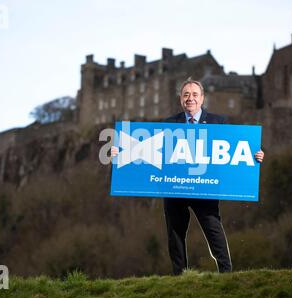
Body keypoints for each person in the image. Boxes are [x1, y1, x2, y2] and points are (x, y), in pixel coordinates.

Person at [112, 79, 264, 275]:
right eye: (186, 95)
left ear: (202, 98)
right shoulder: (168, 124)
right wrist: (120, 151)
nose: (190, 98)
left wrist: (257, 155)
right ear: (180, 99)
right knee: (175, 233)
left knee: (213, 229)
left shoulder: (219, 122)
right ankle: (180, 276)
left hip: (205, 188)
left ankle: (226, 273)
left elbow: (236, 150)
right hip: (174, 188)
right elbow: (147, 149)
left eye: (194, 94)